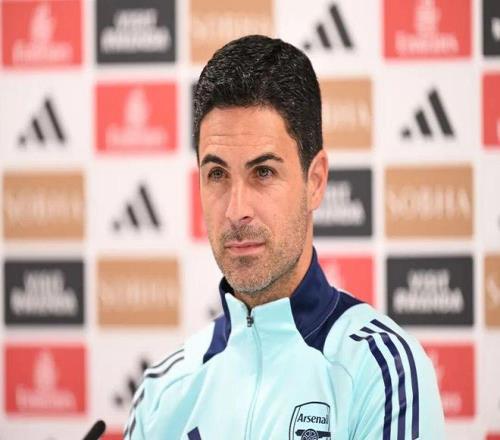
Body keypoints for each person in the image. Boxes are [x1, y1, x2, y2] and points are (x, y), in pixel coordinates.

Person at [124, 35, 444, 440]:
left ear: (316, 181)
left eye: (263, 172)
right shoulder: (160, 393)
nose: (236, 210)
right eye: (217, 174)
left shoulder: (382, 372)